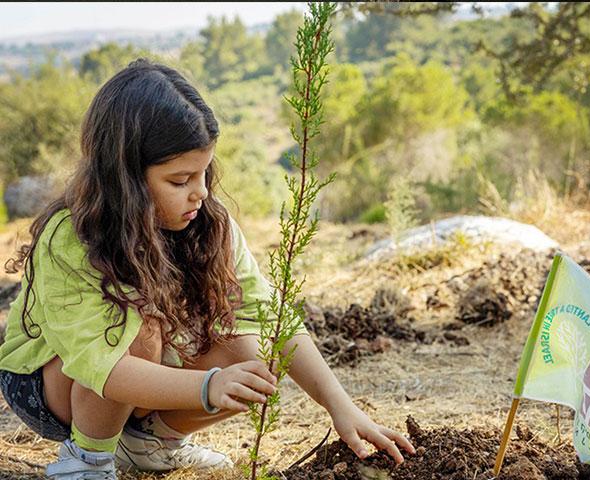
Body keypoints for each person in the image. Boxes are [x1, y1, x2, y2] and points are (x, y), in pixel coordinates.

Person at [0, 58, 415, 479]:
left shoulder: (206, 223)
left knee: (258, 354)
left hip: (139, 370)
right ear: (123, 178)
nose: (199, 192)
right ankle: (87, 459)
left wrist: (340, 407)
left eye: (203, 173)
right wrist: (207, 386)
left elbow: (271, 314)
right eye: (180, 181)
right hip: (54, 386)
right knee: (136, 321)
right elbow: (97, 362)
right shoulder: (71, 235)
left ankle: (150, 445)